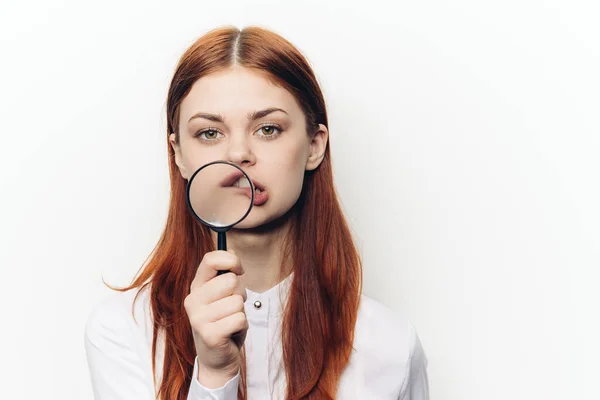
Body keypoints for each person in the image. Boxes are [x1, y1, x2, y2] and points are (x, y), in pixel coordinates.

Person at [84, 25, 430, 400]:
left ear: (315, 146)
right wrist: (215, 374)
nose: (238, 154)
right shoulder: (122, 330)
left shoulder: (390, 346)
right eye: (209, 134)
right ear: (178, 154)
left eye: (267, 129)